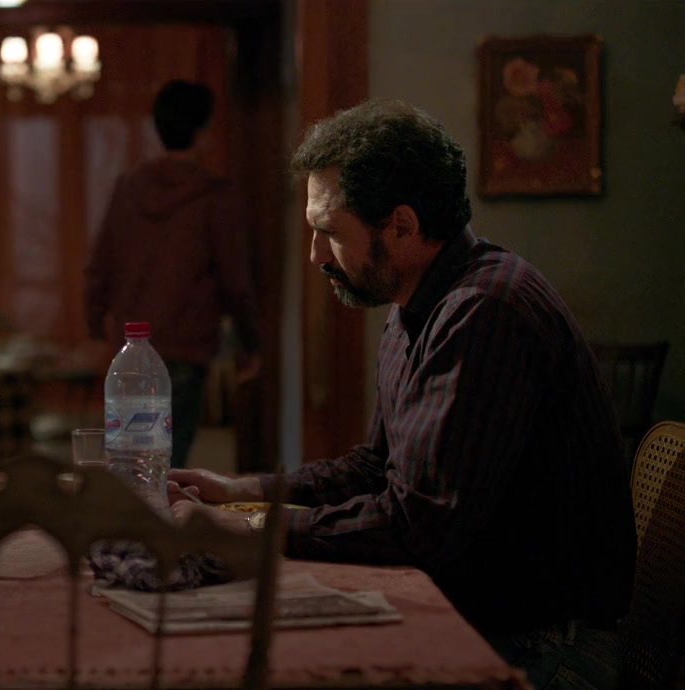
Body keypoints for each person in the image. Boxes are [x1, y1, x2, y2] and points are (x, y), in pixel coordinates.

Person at [167, 100, 635, 690]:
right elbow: (376, 468)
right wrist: (243, 490)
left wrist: (252, 528)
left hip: (546, 645)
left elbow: (420, 528)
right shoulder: (419, 303)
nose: (315, 255)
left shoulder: (483, 313)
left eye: (328, 231)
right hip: (487, 612)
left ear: (402, 227)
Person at [84, 79, 262, 470]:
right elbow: (235, 280)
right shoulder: (215, 195)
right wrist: (250, 344)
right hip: (185, 347)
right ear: (202, 132)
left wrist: (96, 328)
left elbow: (99, 265)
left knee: (128, 460)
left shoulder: (129, 186)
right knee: (166, 465)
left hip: (130, 348)